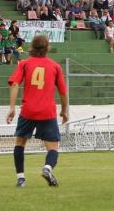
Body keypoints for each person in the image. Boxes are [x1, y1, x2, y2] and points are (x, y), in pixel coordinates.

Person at [6, 35, 69, 188]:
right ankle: (47, 168)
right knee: (53, 147)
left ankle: (21, 178)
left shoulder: (25, 64)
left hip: (28, 110)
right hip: (47, 111)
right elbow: (63, 92)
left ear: (32, 47)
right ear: (47, 48)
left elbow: (14, 84)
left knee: (20, 143)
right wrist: (64, 111)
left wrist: (12, 108)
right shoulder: (55, 66)